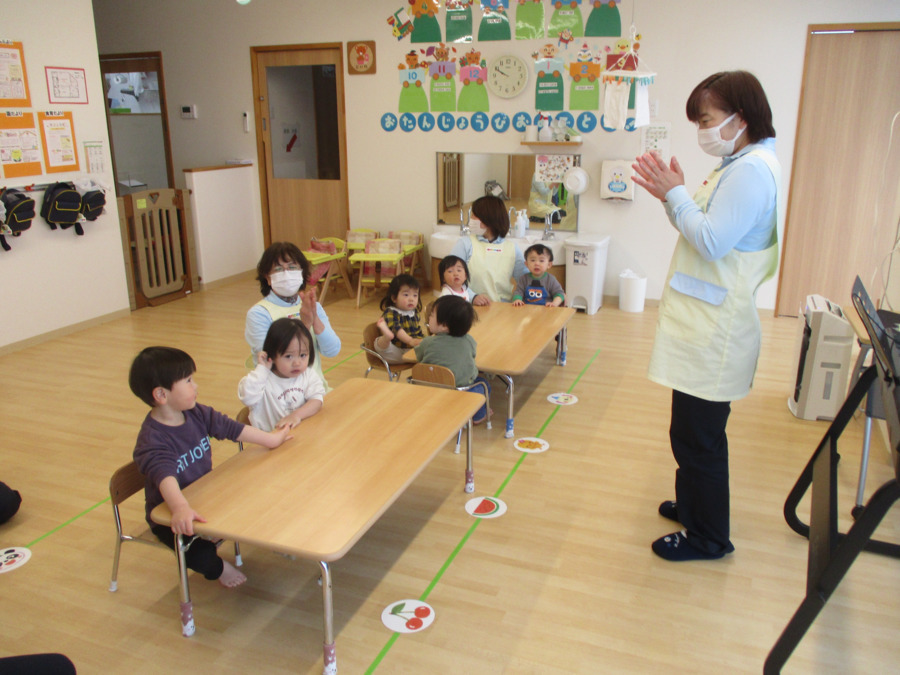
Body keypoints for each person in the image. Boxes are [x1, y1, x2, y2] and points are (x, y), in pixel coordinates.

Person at [631, 70, 781, 562]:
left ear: (740, 118)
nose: (703, 130)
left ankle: (709, 537)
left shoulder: (752, 172)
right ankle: (695, 505)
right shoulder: (736, 164)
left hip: (717, 331)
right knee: (690, 431)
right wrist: (670, 196)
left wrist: (675, 193)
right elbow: (699, 227)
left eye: (708, 119)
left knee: (700, 438)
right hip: (703, 324)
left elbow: (713, 242)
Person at [130, 346, 293, 587]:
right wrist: (180, 508)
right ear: (162, 395)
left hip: (205, 494)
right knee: (201, 555)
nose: (195, 386)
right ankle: (219, 569)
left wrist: (271, 439)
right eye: (187, 381)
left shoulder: (194, 412)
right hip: (171, 513)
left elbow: (230, 428)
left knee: (259, 498)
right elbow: (164, 476)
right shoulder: (153, 439)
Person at [245, 242, 341, 390]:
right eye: (278, 269)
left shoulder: (312, 306)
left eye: (292, 267)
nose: (286, 273)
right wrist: (305, 325)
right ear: (268, 278)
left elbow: (332, 351)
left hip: (316, 390)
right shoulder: (259, 313)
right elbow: (272, 362)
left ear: (301, 273)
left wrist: (314, 318)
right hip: (281, 396)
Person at [238, 318, 325, 432]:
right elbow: (247, 398)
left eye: (303, 355)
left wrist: (296, 415)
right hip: (268, 442)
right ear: (272, 355)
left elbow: (316, 400)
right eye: (288, 356)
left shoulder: (308, 374)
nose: (297, 363)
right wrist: (262, 369)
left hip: (301, 437)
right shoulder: (262, 379)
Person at [414, 295, 490, 424]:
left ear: (444, 325)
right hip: (460, 390)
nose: (429, 318)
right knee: (484, 385)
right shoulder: (469, 341)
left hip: (431, 388)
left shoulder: (427, 343)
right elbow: (472, 357)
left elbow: (419, 358)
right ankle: (478, 417)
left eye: (431, 315)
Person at [449, 195, 527, 305]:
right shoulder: (465, 244)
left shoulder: (512, 248)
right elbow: (450, 276)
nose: (471, 219)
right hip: (470, 306)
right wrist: (473, 297)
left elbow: (526, 280)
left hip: (503, 308)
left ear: (487, 219)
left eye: (474, 215)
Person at [374, 273, 424, 363]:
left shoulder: (414, 312)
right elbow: (396, 328)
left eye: (415, 295)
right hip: (395, 350)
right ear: (394, 298)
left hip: (411, 351)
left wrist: (423, 341)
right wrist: (410, 340)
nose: (411, 299)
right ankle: (387, 336)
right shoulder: (391, 312)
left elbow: (418, 331)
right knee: (379, 344)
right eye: (406, 295)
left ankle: (387, 336)